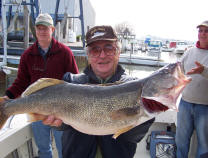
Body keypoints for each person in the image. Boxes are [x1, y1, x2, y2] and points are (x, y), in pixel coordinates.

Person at [43, 25, 169, 158]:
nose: (102, 55)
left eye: (109, 48)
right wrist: (56, 123)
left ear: (118, 52)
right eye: (95, 50)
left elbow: (132, 137)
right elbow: (65, 127)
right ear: (88, 55)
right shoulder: (71, 82)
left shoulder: (136, 87)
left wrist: (147, 111)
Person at [1, 13, 79, 158]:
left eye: (46, 28)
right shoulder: (27, 55)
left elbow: (75, 81)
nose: (42, 31)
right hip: (36, 108)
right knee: (43, 149)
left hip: (62, 111)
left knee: (65, 149)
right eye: (39, 28)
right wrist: (7, 98)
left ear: (52, 30)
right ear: (35, 30)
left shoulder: (65, 52)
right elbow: (21, 82)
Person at [176, 20, 208, 158]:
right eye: (200, 30)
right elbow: (178, 71)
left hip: (205, 107)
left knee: (204, 144)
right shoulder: (189, 52)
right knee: (181, 141)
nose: (203, 34)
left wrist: (203, 71)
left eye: (206, 31)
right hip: (185, 103)